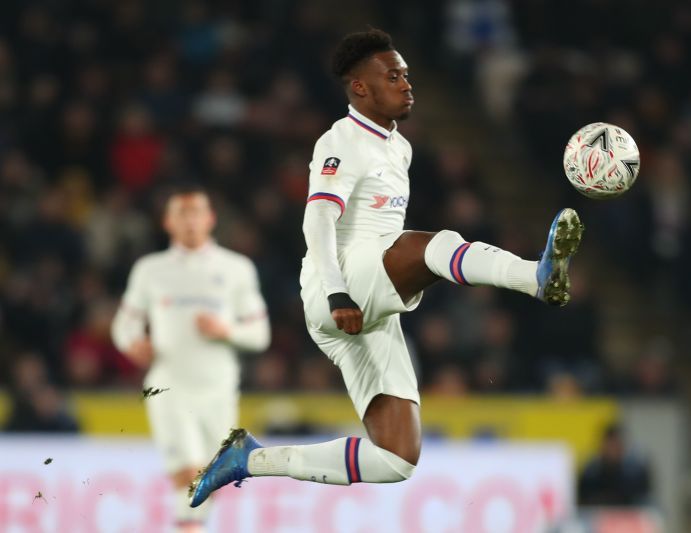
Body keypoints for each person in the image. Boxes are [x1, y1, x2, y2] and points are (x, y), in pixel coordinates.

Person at [189, 28, 583, 506]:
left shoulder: (400, 147)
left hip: (365, 310)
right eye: (392, 75)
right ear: (360, 87)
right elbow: (317, 219)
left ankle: (249, 459)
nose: (406, 84)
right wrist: (336, 292)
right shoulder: (342, 139)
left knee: (396, 458)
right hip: (335, 283)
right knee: (436, 247)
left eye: (407, 74)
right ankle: (535, 278)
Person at [111, 184, 271, 533]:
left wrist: (226, 330)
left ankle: (190, 526)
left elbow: (260, 335)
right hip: (168, 385)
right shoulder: (150, 270)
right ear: (167, 222)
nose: (189, 221)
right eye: (181, 214)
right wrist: (132, 342)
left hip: (218, 387)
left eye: (196, 212)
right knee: (187, 472)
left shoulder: (236, 268)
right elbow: (124, 323)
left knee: (212, 478)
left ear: (210, 219)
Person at [578, 423, 652, 506]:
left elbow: (646, 503)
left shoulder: (636, 474)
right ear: (602, 446)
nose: (612, 450)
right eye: (610, 444)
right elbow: (582, 504)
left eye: (616, 444)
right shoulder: (590, 474)